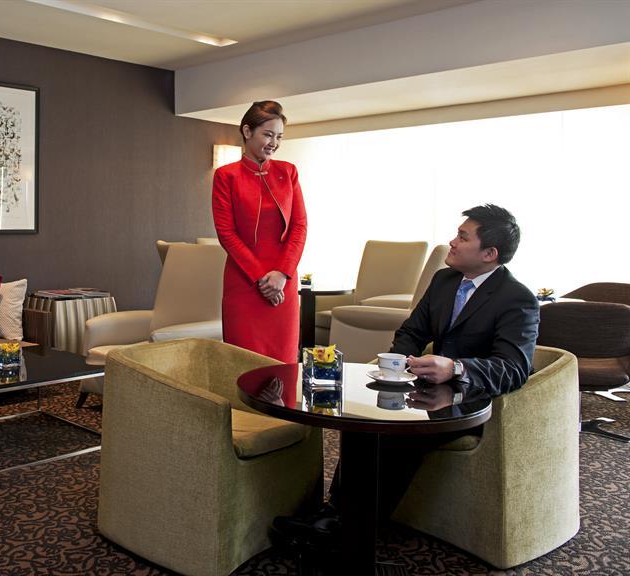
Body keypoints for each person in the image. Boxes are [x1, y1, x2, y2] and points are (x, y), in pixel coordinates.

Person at [277, 204, 540, 551]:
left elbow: (514, 368)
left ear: (489, 254)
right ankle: (335, 513)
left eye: (463, 237)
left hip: (470, 404)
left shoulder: (517, 299)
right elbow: (412, 331)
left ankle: (347, 528)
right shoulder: (444, 280)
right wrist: (396, 363)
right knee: (366, 420)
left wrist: (456, 367)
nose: (452, 242)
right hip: (427, 392)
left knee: (394, 434)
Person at [212, 101, 307, 364]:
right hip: (244, 284)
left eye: (279, 137)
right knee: (242, 366)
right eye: (268, 134)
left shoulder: (288, 172)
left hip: (283, 285)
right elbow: (226, 233)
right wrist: (261, 278)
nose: (274, 143)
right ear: (247, 131)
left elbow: (299, 226)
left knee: (283, 363)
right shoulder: (226, 176)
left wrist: (282, 274)